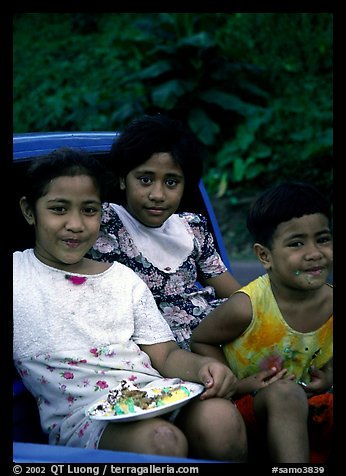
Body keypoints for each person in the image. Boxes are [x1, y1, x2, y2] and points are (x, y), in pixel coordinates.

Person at [13, 147, 247, 461]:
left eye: (89, 210)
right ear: (30, 211)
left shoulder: (121, 278)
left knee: (221, 419)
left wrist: (204, 367)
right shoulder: (18, 275)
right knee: (162, 442)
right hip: (87, 419)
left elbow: (164, 355)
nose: (76, 224)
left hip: (156, 395)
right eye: (58, 209)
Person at [190, 181, 333, 464]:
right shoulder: (248, 306)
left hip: (312, 407)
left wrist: (328, 376)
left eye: (323, 239)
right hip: (251, 408)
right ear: (265, 256)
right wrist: (238, 383)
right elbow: (201, 339)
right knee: (284, 394)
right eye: (296, 243)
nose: (314, 252)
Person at [88, 114, 241, 350]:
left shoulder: (192, 228)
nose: (157, 195)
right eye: (145, 180)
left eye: (171, 182)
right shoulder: (105, 224)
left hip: (213, 335)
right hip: (157, 350)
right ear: (122, 180)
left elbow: (236, 295)